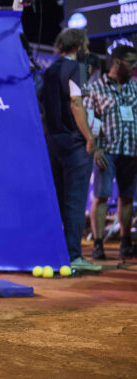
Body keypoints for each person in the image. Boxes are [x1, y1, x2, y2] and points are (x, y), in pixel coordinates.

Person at [41, 29, 102, 272]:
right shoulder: (78, 69)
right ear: (78, 46)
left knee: (57, 198)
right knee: (75, 201)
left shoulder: (49, 71)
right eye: (86, 43)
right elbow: (76, 104)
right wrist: (89, 137)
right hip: (75, 143)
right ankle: (74, 255)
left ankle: (55, 253)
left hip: (53, 143)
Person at [85, 44, 137, 260]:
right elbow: (89, 119)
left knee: (127, 198)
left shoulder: (134, 87)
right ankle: (98, 244)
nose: (134, 67)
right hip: (107, 150)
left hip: (132, 150)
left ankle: (126, 242)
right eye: (131, 63)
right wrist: (95, 146)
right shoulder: (96, 88)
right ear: (117, 62)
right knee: (102, 195)